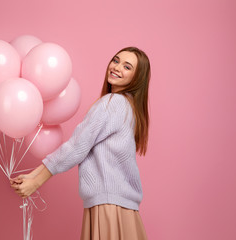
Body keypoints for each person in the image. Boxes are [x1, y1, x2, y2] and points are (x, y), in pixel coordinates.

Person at [10, 47, 151, 240]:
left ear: (137, 78)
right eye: (116, 60)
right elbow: (80, 146)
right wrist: (33, 175)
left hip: (108, 208)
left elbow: (77, 147)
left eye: (127, 67)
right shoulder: (128, 107)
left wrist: (36, 182)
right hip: (121, 209)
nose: (117, 67)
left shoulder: (113, 102)